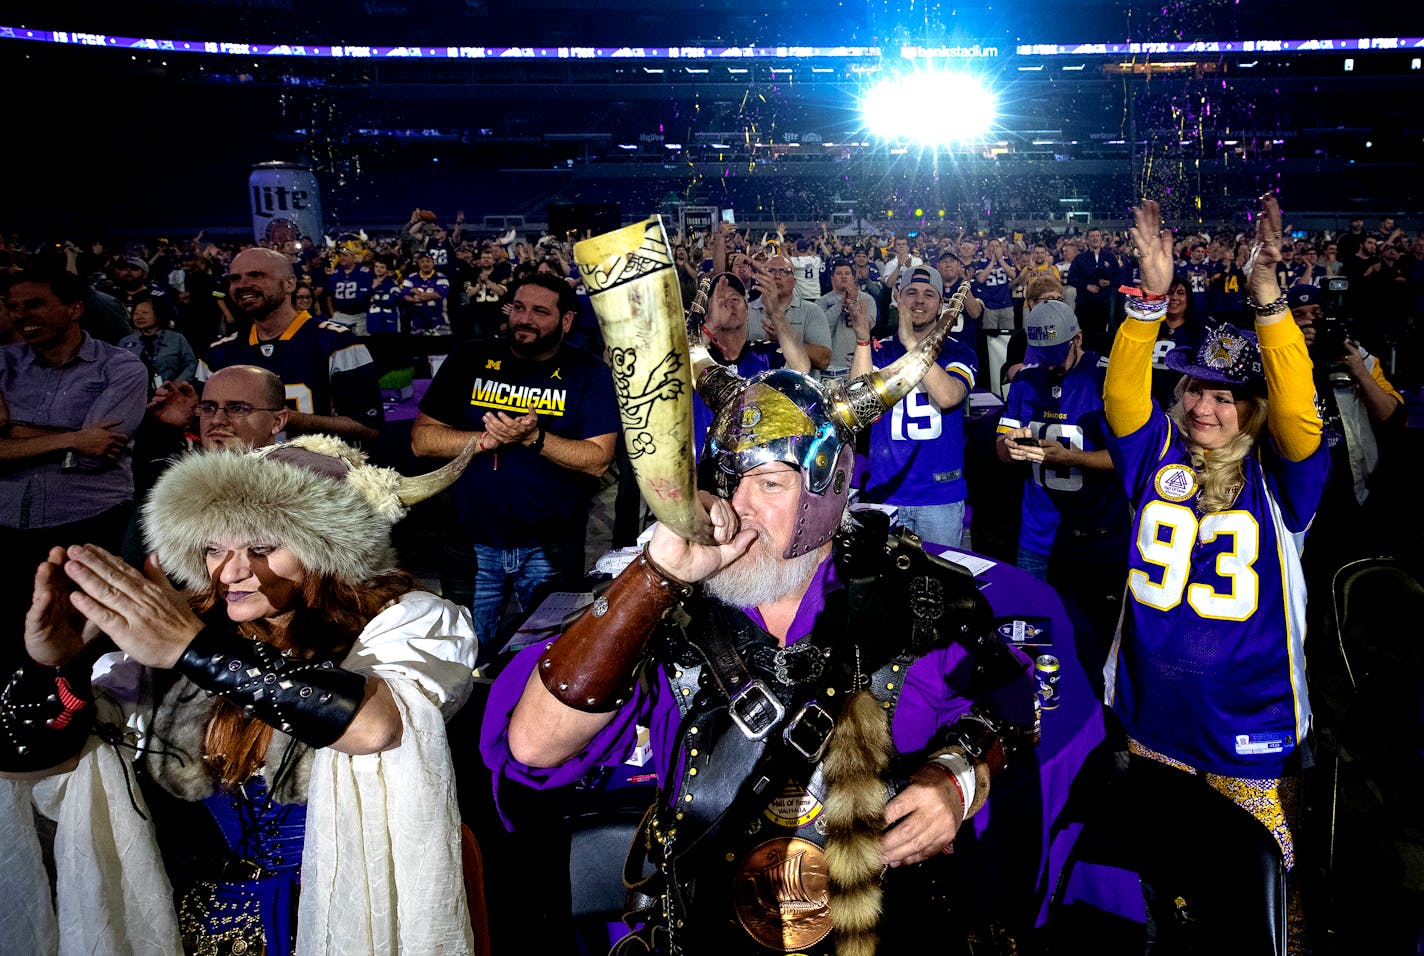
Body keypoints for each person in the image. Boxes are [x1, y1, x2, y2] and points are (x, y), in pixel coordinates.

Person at [481, 331, 1035, 954]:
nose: (740, 506)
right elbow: (531, 747)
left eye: (771, 483)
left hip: (888, 929)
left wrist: (959, 777)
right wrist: (655, 579)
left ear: (829, 492)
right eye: (730, 478)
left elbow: (1009, 707)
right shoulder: (666, 601)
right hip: (705, 927)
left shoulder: (921, 594)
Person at [0, 433, 481, 955]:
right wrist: (54, 667)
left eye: (262, 548)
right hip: (205, 917)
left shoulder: (408, 622)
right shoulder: (181, 642)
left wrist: (194, 649)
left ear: (328, 548)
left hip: (349, 904)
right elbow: (32, 765)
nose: (230, 573)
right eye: (213, 548)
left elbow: (377, 725)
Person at [1103, 196, 1328, 949]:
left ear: (1253, 409)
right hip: (1154, 720)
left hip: (1252, 728)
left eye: (1227, 395)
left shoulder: (1284, 477)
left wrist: (1268, 302)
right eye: (1197, 388)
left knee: (1261, 900)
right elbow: (1122, 396)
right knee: (1162, 892)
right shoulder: (1152, 458)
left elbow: (1301, 414)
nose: (1207, 406)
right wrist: (1147, 303)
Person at [411, 273, 620, 660]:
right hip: (471, 541)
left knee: (548, 658)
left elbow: (598, 459)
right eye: (519, 307)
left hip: (551, 545)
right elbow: (422, 440)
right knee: (462, 660)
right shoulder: (467, 359)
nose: (525, 319)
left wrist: (533, 439)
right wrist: (487, 440)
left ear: (567, 321)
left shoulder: (588, 372)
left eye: (540, 311)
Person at [0, 269, 148, 667]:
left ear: (74, 309)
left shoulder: (121, 367)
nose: (21, 315)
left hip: (91, 524)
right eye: (13, 306)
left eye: (34, 304)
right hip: (8, 530)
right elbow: (83, 443)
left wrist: (14, 435)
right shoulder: (3, 363)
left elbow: (95, 452)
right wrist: (71, 437)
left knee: (85, 652)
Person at [995, 300, 1129, 688]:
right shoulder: (1025, 380)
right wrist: (1012, 446)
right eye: (1043, 355)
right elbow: (1000, 449)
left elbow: (1130, 458)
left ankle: (1099, 727)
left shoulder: (1106, 380)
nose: (1051, 364)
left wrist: (1074, 458)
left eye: (1057, 354)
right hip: (1037, 535)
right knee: (1037, 637)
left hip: (1096, 535)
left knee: (1097, 642)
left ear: (1078, 339)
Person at [199, 248, 383, 445]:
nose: (243, 285)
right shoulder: (217, 354)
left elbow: (370, 427)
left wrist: (300, 421)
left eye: (257, 275)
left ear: (289, 283)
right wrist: (184, 418)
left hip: (317, 473)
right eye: (235, 278)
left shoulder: (338, 342)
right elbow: (205, 430)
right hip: (243, 475)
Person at [851, 266, 977, 548]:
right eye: (911, 293)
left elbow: (948, 396)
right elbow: (859, 407)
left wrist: (912, 344)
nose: (919, 300)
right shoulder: (880, 349)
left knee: (938, 586)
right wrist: (862, 340)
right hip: (886, 493)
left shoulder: (959, 351)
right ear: (898, 297)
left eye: (929, 294)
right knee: (885, 587)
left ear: (941, 305)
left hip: (939, 495)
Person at [118, 296, 197, 386]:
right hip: (135, 394)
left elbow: (191, 364)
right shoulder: (125, 342)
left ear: (158, 314)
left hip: (171, 393)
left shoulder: (176, 339)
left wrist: (176, 385)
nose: (139, 317)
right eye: (135, 313)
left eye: (145, 312)